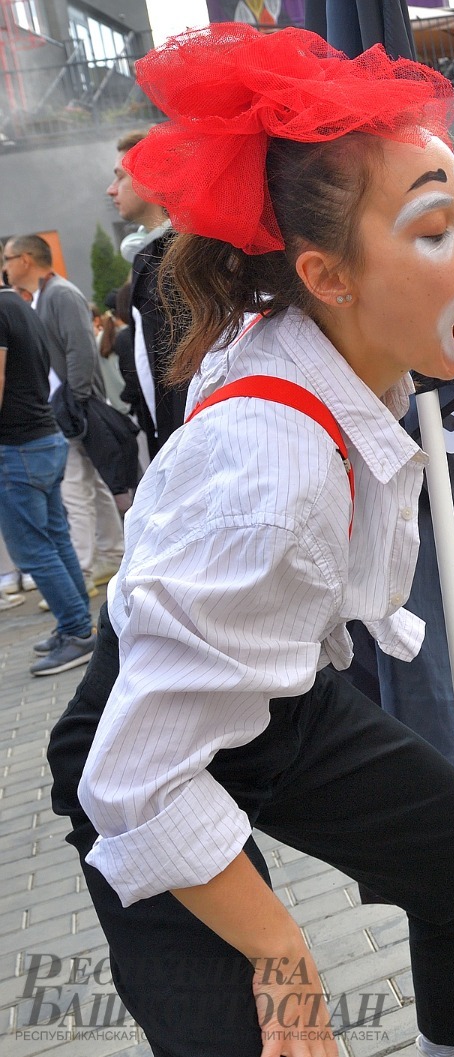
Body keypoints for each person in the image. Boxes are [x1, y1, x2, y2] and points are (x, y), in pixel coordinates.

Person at [44, 25, 454, 1057]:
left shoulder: (340, 335)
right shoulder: (275, 475)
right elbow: (136, 775)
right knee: (262, 1035)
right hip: (142, 745)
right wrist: (281, 950)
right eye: (437, 228)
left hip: (269, 690)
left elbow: (453, 309)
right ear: (326, 275)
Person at [3, 234, 125, 590]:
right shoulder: (44, 295)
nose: (5, 267)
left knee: (75, 489)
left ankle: (82, 573)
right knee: (90, 484)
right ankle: (111, 555)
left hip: (72, 407)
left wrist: (75, 400)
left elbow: (80, 350)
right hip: (66, 407)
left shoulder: (60, 293)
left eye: (7, 259)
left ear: (25, 259)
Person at [0, 281, 97, 675]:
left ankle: (77, 632)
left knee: (34, 551)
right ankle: (76, 625)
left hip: (18, 446)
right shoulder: (17, 303)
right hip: (39, 438)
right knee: (54, 540)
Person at [110, 128, 188, 457]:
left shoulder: (179, 258)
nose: (111, 189)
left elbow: (181, 364)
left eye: (120, 176)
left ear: (151, 178)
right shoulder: (153, 254)